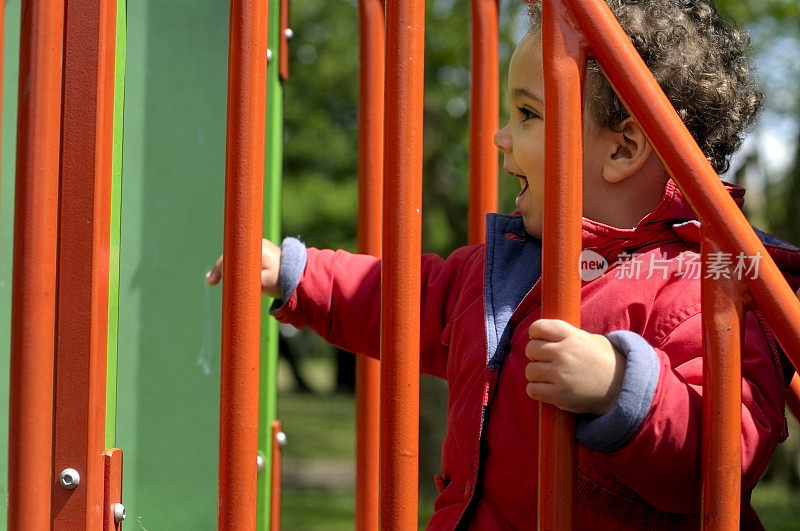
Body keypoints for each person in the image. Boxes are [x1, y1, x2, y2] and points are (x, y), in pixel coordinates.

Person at [207, 0, 800, 527]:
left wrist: (623, 388)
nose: (500, 137)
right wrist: (295, 273)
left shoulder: (712, 286)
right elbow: (403, 297)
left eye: (528, 114)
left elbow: (723, 456)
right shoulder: (505, 269)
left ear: (622, 148)